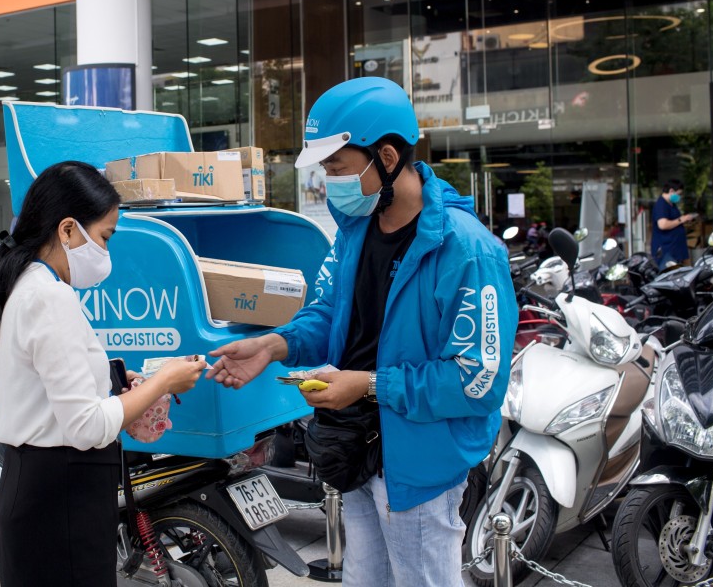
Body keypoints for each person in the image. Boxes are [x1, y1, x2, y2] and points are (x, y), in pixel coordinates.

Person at [206, 77, 517, 587]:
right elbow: (331, 312)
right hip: (354, 449)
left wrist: (369, 384)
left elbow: (476, 379)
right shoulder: (356, 230)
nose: (329, 182)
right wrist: (273, 344)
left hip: (417, 463)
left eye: (337, 167)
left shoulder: (468, 252)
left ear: (388, 158)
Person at [0, 161, 203, 586]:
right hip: (61, 500)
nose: (106, 252)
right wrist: (164, 380)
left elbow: (40, 380)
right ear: (68, 229)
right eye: (105, 236)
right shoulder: (49, 297)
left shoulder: (25, 284)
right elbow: (87, 426)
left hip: (41, 490)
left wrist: (114, 376)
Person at [652, 179, 696, 269]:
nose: (679, 197)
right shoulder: (661, 205)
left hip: (676, 249)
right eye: (679, 194)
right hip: (666, 250)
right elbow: (663, 225)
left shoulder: (671, 204)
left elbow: (674, 221)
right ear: (671, 191)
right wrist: (682, 219)